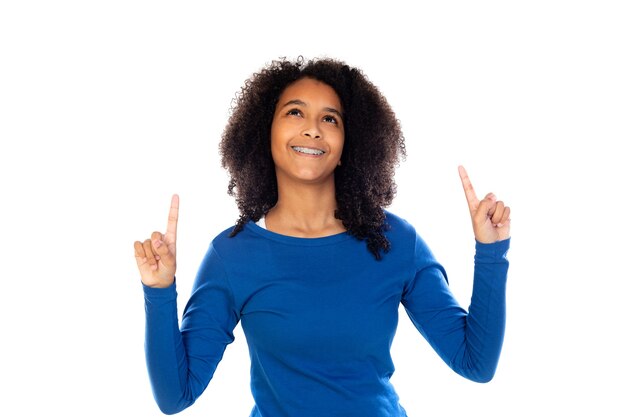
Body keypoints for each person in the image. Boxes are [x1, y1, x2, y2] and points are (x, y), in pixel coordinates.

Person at [134, 57, 511, 416]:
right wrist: (159, 289)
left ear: (349, 145)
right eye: (295, 112)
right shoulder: (231, 257)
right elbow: (175, 396)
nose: (312, 128)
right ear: (264, 133)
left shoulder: (395, 242)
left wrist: (491, 251)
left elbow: (475, 363)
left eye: (329, 118)